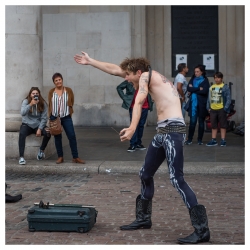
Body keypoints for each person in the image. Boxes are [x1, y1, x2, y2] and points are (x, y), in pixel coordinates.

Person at [74, 51, 210, 244]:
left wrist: (132, 128)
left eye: (129, 77)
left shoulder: (146, 76)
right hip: (163, 132)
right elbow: (115, 70)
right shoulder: (145, 75)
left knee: (177, 179)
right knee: (145, 174)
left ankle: (202, 229)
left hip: (173, 132)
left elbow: (139, 101)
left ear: (138, 72)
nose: (127, 80)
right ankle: (144, 218)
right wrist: (90, 61)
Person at [48, 73, 85, 164]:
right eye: (56, 80)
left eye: (59, 79)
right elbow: (50, 104)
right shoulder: (51, 92)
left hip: (66, 117)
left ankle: (75, 157)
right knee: (57, 137)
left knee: (72, 136)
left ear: (62, 80)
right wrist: (51, 116)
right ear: (54, 82)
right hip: (55, 117)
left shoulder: (68, 90)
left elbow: (71, 102)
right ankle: (60, 157)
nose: (58, 81)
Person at [116, 80, 153, 152]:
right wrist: (125, 98)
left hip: (145, 106)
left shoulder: (145, 80)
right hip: (134, 107)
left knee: (141, 125)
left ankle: (138, 143)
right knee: (134, 125)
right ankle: (133, 144)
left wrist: (152, 100)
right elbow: (119, 88)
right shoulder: (130, 80)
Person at [18, 87, 51, 165]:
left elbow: (44, 118)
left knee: (48, 132)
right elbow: (22, 113)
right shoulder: (26, 101)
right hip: (27, 124)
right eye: (33, 93)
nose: (35, 95)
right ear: (30, 94)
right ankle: (21, 157)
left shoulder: (43, 103)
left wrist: (40, 128)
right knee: (22, 133)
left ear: (39, 94)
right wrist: (30, 104)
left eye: (37, 93)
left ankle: (41, 151)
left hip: (37, 125)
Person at [184, 65, 209, 145]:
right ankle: (190, 139)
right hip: (193, 104)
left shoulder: (205, 80)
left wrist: (194, 89)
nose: (196, 73)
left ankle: (200, 140)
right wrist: (198, 88)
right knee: (192, 122)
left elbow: (204, 91)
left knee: (201, 123)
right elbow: (189, 88)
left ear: (202, 72)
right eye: (195, 72)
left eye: (198, 71)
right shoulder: (192, 79)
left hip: (201, 105)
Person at [206, 72, 231, 147]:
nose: (216, 79)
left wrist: (225, 108)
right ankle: (213, 140)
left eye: (218, 78)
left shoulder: (225, 87)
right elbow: (209, 98)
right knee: (214, 125)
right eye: (215, 78)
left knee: (223, 125)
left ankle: (223, 140)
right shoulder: (211, 87)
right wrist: (208, 108)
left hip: (221, 109)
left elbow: (228, 98)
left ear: (221, 78)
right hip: (213, 109)